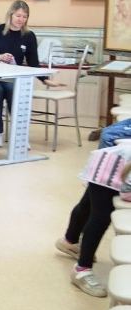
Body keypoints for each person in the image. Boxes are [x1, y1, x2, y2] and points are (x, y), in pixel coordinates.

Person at [56, 120, 131, 297]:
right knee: (100, 217)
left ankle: (69, 242)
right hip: (111, 171)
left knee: (87, 204)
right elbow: (127, 192)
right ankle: (82, 270)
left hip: (106, 162)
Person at [0, 0, 59, 147]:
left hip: (11, 78)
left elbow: (33, 63)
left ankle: (20, 135)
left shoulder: (28, 36)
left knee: (11, 89)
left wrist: (44, 79)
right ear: (11, 15)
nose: (21, 20)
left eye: (24, 17)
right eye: (18, 16)